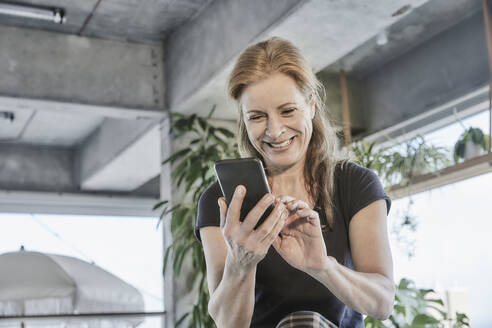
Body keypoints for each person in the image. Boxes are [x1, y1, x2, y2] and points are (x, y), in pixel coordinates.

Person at [194, 37, 395, 328]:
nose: (274, 131)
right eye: (257, 117)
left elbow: (383, 303)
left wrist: (323, 267)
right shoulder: (222, 200)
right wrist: (241, 262)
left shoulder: (355, 184)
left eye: (288, 111)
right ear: (244, 120)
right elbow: (227, 323)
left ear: (311, 105)